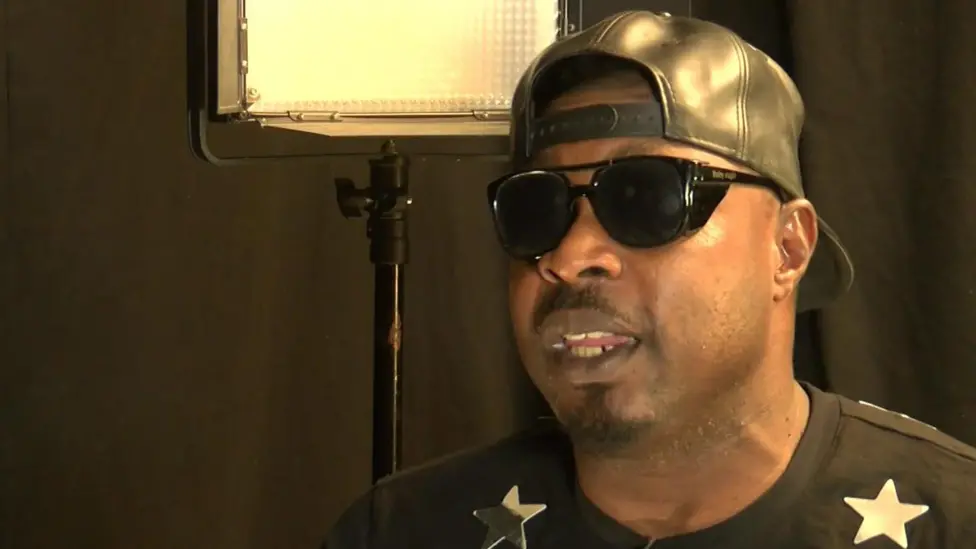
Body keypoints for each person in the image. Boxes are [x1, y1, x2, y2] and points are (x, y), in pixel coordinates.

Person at [322, 11, 976, 549]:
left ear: (787, 248)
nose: (570, 256)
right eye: (536, 209)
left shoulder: (952, 523)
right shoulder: (402, 532)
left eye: (647, 198)